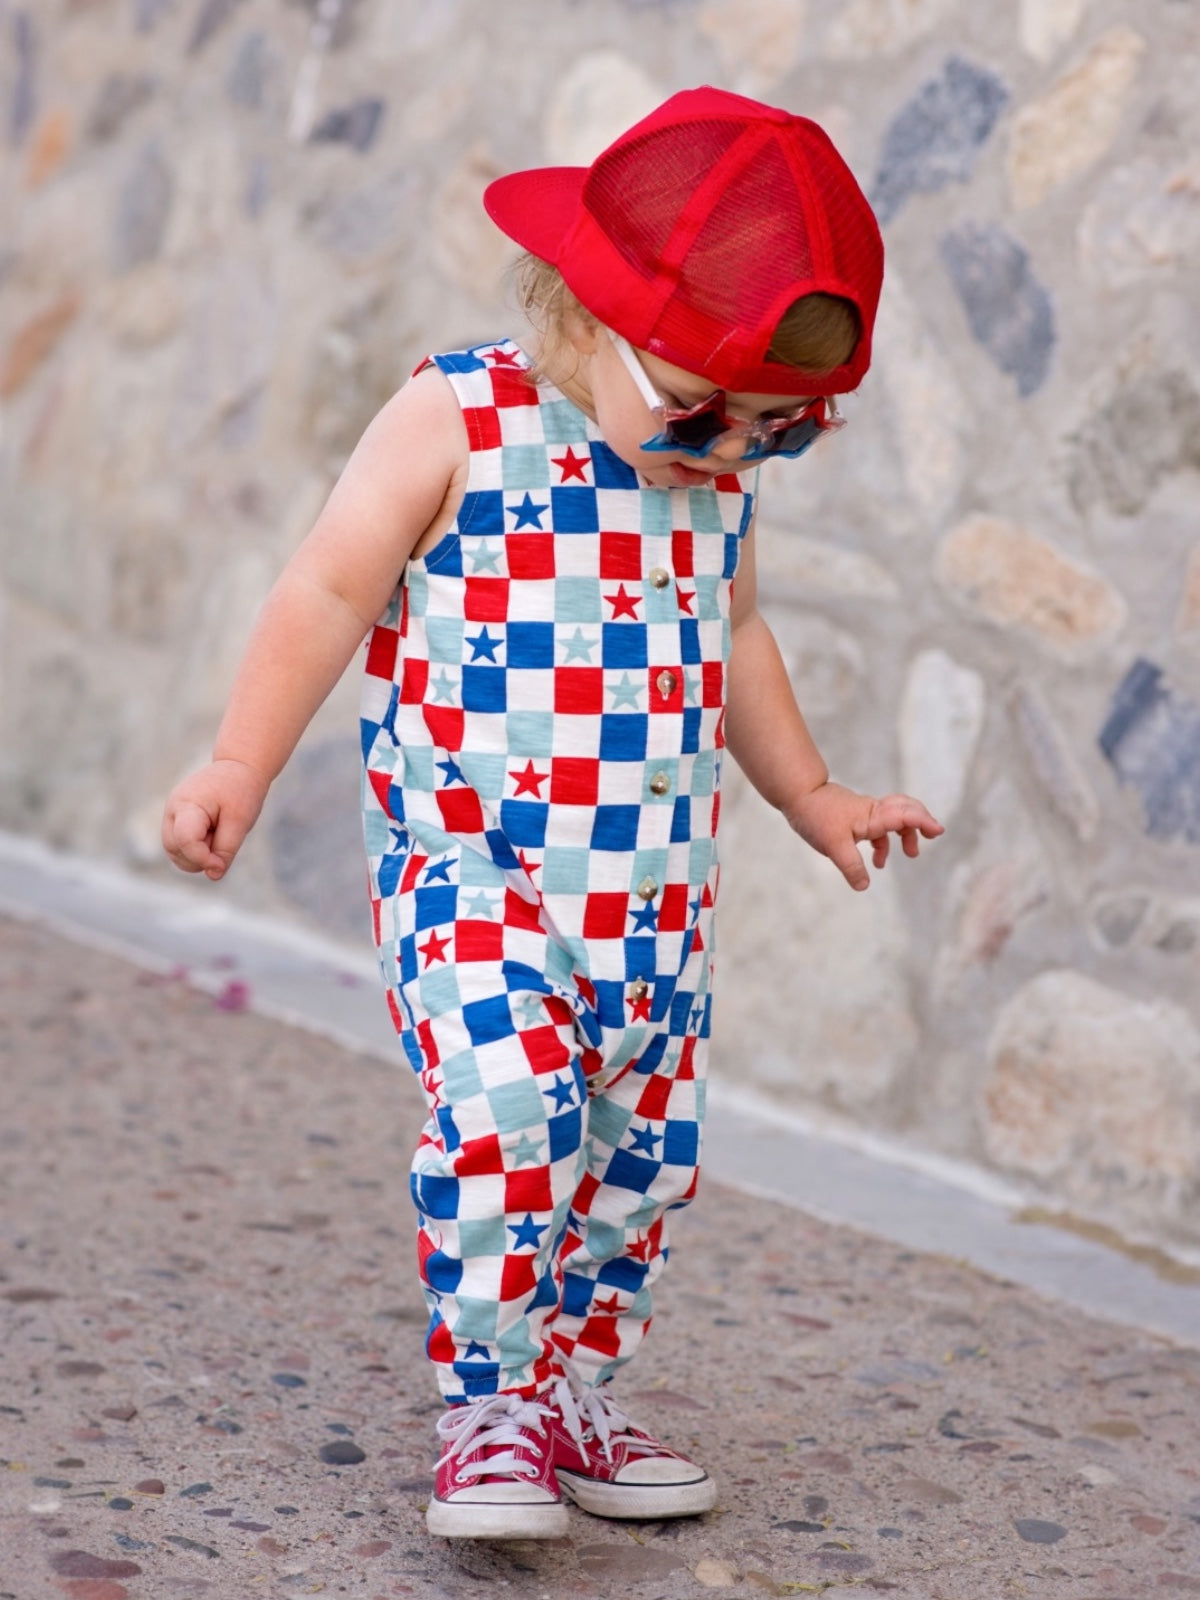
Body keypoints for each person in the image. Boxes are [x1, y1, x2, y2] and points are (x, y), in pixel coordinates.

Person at [162, 86, 943, 1541]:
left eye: (781, 436)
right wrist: (237, 763)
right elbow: (329, 586)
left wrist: (811, 793)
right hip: (475, 868)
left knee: (641, 1160)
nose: (732, 454)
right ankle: (489, 1407)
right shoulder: (460, 415)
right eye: (706, 412)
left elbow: (741, 640)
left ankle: (577, 1386)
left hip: (649, 898)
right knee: (511, 1107)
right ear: (582, 310)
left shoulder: (710, 475)